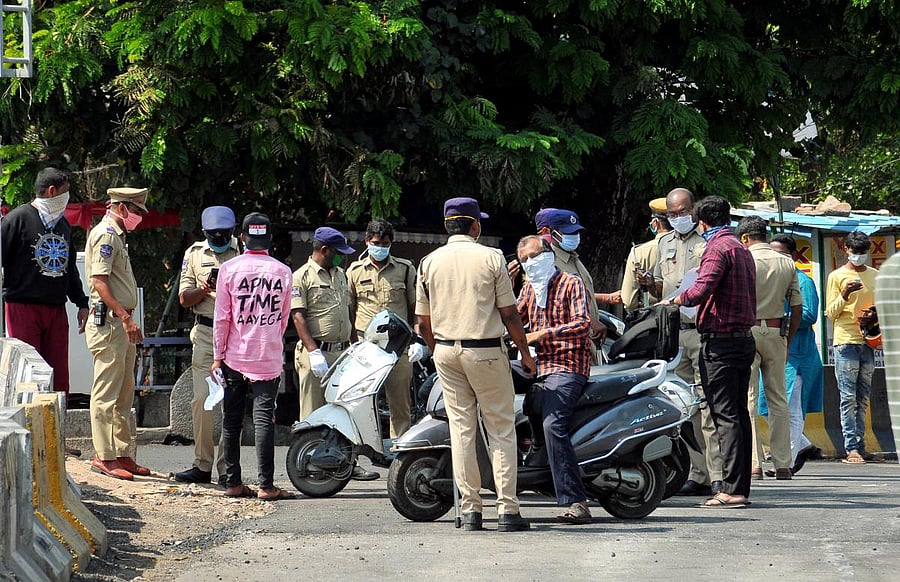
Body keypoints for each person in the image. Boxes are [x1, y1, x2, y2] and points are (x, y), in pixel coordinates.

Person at [416, 197, 536, 532]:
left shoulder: (428, 262)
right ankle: (508, 511)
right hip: (485, 351)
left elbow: (422, 322)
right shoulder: (492, 257)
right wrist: (525, 355)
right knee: (500, 428)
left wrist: (438, 348)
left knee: (462, 430)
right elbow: (510, 313)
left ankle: (470, 511)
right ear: (475, 226)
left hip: (445, 351)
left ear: (447, 225)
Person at [671, 195, 756, 508]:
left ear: (701, 222)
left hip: (721, 342)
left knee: (725, 416)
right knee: (737, 416)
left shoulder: (716, 248)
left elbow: (700, 289)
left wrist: (677, 300)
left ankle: (731, 490)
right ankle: (740, 487)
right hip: (742, 339)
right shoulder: (740, 247)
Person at [641, 188, 724, 497]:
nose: (678, 218)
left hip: (702, 330)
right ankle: (698, 473)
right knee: (684, 407)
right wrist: (651, 286)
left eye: (682, 212)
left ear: (694, 210)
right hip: (674, 332)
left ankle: (717, 476)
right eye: (672, 214)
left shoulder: (708, 242)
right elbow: (662, 289)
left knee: (707, 405)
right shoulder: (663, 244)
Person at [212, 212, 295, 500]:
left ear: (242, 238)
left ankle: (233, 483)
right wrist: (270, 336)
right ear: (269, 238)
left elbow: (223, 318)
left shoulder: (229, 269)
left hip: (234, 355)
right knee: (263, 421)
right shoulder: (283, 272)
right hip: (267, 357)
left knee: (232, 420)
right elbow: (284, 318)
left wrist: (217, 355)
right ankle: (266, 485)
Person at [515, 235, 593, 524]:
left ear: (549, 253)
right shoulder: (528, 288)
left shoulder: (571, 283)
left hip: (568, 363)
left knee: (553, 424)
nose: (531, 264)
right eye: (524, 260)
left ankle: (577, 501)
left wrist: (541, 335)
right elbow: (513, 317)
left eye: (535, 256)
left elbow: (583, 322)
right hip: (538, 365)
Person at [291, 226, 378, 480]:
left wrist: (354, 343)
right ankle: (308, 465)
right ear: (324, 250)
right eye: (338, 253)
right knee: (312, 412)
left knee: (345, 412)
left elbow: (347, 313)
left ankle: (347, 463)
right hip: (317, 352)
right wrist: (313, 350)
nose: (343, 257)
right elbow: (298, 316)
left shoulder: (340, 274)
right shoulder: (302, 276)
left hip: (342, 354)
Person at [1, 167, 89, 396]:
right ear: (52, 191)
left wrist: (81, 302)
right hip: (22, 307)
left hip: (56, 309)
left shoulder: (63, 225)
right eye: (65, 192)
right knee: (28, 373)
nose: (67, 198)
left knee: (59, 376)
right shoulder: (16, 220)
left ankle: (57, 428)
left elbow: (69, 268)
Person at [85, 187, 150, 480]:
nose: (138, 217)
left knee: (124, 393)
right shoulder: (106, 235)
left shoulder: (118, 237)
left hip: (121, 323)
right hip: (111, 322)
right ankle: (103, 455)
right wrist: (124, 317)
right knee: (106, 393)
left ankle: (122, 453)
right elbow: (99, 281)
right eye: (135, 211)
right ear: (121, 208)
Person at [173, 206, 240, 486]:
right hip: (205, 331)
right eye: (214, 235)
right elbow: (184, 298)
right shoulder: (195, 254)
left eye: (224, 234)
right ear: (205, 233)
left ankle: (228, 469)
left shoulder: (244, 251)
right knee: (202, 400)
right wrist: (204, 289)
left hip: (237, 334)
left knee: (231, 402)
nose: (219, 238)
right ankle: (202, 465)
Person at [734, 216, 801, 481]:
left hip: (746, 330)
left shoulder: (742, 260)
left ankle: (754, 463)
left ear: (745, 238)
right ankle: (783, 463)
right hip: (776, 331)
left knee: (748, 399)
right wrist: (789, 338)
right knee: (778, 399)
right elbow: (796, 307)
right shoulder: (787, 262)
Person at [347, 219, 421, 438]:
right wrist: (352, 344)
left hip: (398, 347)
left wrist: (417, 340)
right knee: (358, 403)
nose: (380, 247)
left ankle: (400, 455)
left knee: (400, 404)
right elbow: (349, 310)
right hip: (366, 348)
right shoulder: (354, 271)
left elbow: (416, 308)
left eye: (385, 243)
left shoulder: (405, 269)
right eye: (376, 242)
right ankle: (360, 451)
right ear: (367, 241)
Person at [763, 235, 823, 475]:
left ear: (792, 257)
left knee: (791, 407)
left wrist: (780, 314)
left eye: (780, 254)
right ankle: (804, 444)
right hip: (776, 349)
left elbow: (809, 315)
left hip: (797, 354)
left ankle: (786, 461)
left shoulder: (803, 281)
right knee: (768, 406)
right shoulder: (771, 280)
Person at [825, 231, 878, 464]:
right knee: (848, 397)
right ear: (846, 249)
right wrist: (845, 294)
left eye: (863, 252)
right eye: (855, 252)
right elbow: (831, 313)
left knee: (863, 397)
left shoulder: (876, 276)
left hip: (869, 341)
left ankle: (861, 444)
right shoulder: (837, 276)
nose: (859, 256)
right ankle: (851, 448)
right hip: (845, 341)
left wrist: (873, 316)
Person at [620, 198, 669, 311]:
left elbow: (629, 302)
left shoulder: (638, 252)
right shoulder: (693, 247)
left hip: (652, 319)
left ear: (655, 223)